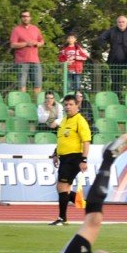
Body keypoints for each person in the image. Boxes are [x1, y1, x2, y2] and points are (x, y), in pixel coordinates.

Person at [49, 94, 91, 226]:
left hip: (74, 157)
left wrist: (84, 160)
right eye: (66, 105)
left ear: (77, 106)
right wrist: (56, 153)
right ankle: (85, 204)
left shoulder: (80, 121)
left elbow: (86, 141)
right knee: (62, 188)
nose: (68, 107)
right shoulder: (64, 121)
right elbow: (62, 140)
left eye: (71, 104)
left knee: (62, 186)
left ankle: (62, 218)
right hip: (64, 158)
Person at [97, 16, 127, 95]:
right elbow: (101, 38)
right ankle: (117, 98)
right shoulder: (112, 30)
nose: (121, 23)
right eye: (119, 22)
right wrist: (106, 47)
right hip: (114, 60)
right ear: (117, 23)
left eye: (123, 22)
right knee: (116, 81)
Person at [10, 10, 44, 96]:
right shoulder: (16, 29)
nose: (25, 18)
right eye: (23, 16)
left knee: (38, 84)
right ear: (21, 18)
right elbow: (13, 45)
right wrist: (26, 44)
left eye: (27, 16)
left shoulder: (35, 28)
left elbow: (42, 41)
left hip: (35, 60)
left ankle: (38, 106)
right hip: (22, 61)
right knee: (22, 85)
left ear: (30, 18)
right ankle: (23, 105)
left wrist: (38, 44)